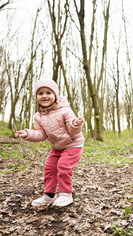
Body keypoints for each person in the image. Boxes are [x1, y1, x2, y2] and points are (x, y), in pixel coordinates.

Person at [15, 78, 84, 207]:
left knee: (63, 166)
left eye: (48, 93)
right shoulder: (38, 116)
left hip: (73, 144)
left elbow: (73, 131)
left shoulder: (65, 110)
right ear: (36, 97)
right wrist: (27, 134)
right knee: (49, 168)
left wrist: (76, 124)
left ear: (55, 95)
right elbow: (41, 134)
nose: (44, 96)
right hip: (57, 147)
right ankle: (49, 196)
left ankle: (66, 194)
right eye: (40, 93)